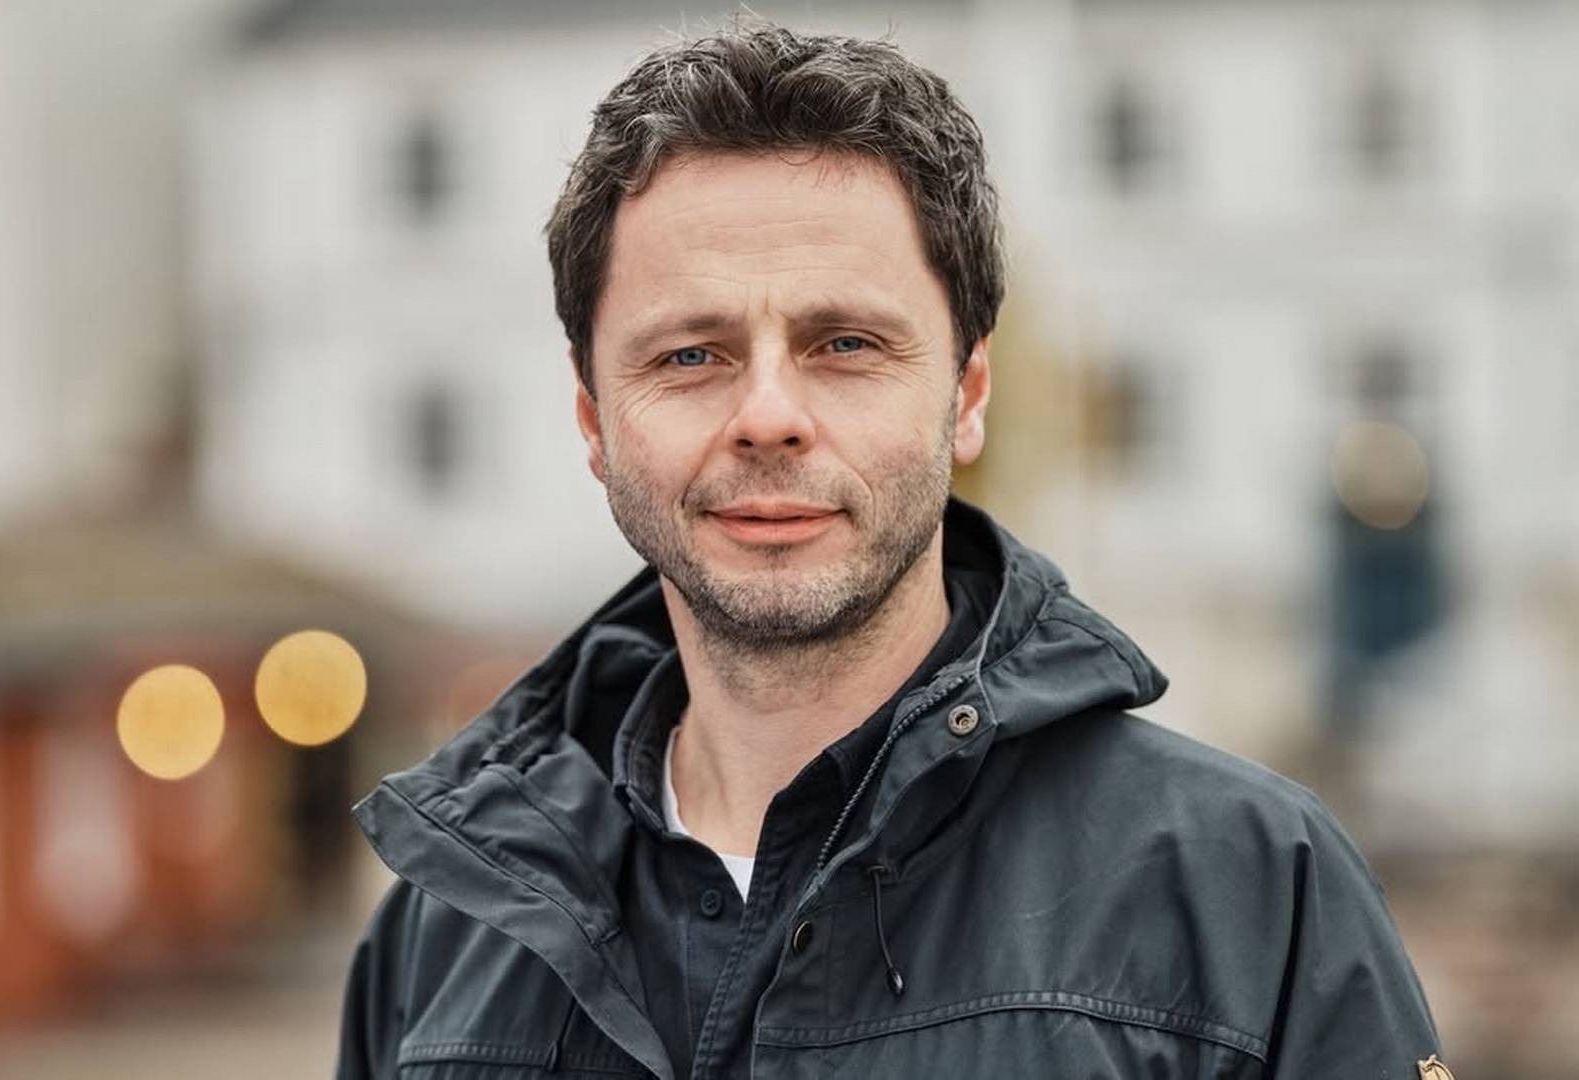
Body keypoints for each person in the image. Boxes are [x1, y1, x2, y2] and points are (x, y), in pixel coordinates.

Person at [336, 20, 1446, 1080]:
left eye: (846, 344)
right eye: (690, 356)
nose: (769, 416)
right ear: (593, 421)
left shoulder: (1247, 892)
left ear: (968, 395)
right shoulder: (445, 932)